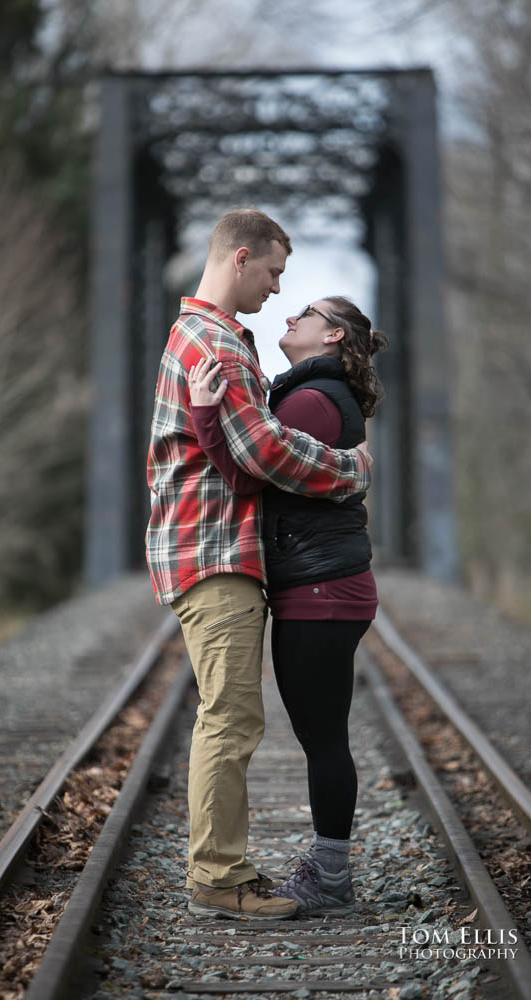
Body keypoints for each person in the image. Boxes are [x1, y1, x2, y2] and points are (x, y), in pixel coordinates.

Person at [145, 209, 373, 922]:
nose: (277, 288)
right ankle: (219, 876)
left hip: (218, 548)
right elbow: (261, 453)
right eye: (273, 272)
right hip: (212, 550)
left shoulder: (217, 338)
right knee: (230, 718)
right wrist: (347, 471)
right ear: (240, 258)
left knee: (232, 715)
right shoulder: (211, 339)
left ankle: (225, 869)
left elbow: (250, 444)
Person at [188, 295, 387, 915]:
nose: (289, 317)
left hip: (321, 590)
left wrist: (202, 417)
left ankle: (330, 877)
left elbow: (252, 473)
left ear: (331, 336)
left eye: (304, 312)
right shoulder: (312, 392)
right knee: (321, 734)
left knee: (323, 737)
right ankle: (330, 867)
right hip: (325, 586)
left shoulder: (308, 400)